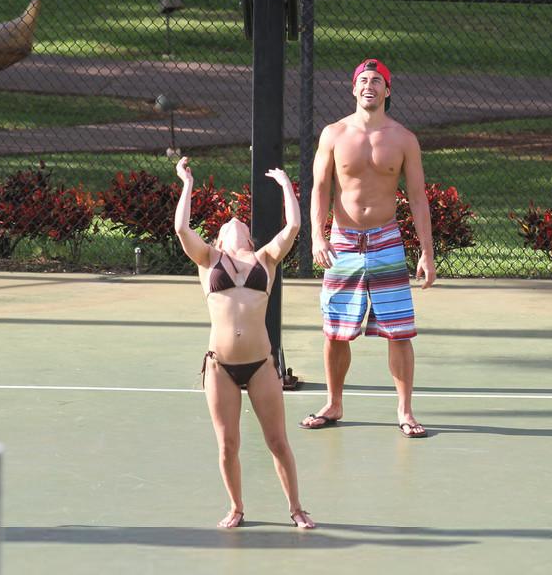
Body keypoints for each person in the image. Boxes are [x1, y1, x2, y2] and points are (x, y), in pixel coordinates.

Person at [174, 156, 315, 530]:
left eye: (242, 224)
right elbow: (181, 227)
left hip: (261, 366)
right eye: (225, 226)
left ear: (251, 238)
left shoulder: (265, 259)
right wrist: (187, 183)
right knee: (228, 445)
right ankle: (236, 507)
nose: (234, 221)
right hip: (219, 366)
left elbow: (294, 225)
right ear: (218, 240)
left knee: (278, 442)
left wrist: (285, 185)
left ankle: (296, 508)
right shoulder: (208, 259)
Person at [299, 58, 435, 439]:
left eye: (377, 81)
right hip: (343, 242)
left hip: (386, 241)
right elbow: (320, 188)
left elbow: (418, 197)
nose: (369, 86)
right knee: (335, 331)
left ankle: (405, 411)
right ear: (354, 88)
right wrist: (317, 236)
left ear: (387, 91)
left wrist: (427, 253)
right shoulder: (334, 134)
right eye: (363, 80)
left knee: (399, 332)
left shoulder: (404, 139)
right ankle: (334, 403)